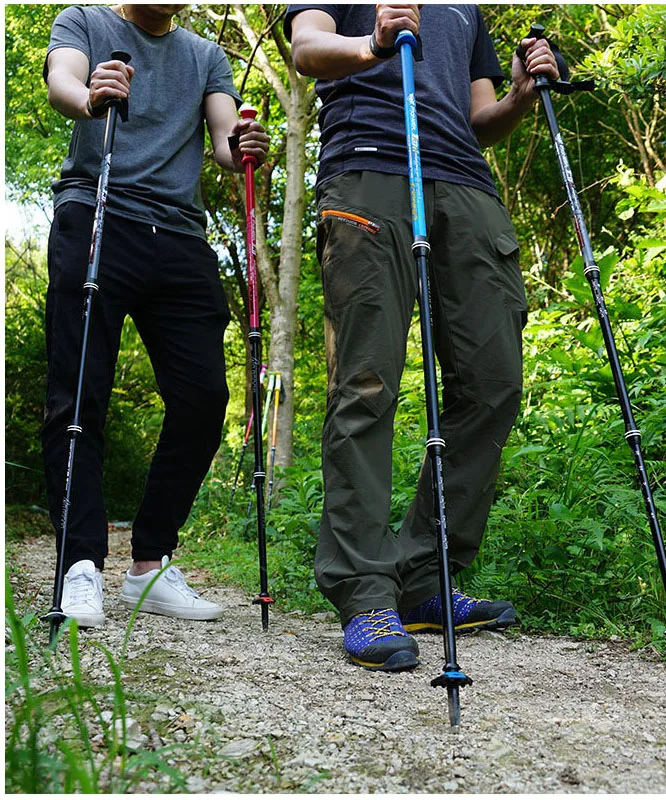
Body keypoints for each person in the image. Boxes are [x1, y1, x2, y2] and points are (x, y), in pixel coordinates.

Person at [285, 4, 559, 671]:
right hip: (368, 167)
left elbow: (480, 118)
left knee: (494, 381)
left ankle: (426, 577)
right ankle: (363, 590)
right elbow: (307, 48)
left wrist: (522, 96)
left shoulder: (465, 8)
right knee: (368, 381)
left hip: (465, 182)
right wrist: (373, 44)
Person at [42, 4, 268, 627]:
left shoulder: (204, 55)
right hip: (96, 211)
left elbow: (225, 141)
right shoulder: (84, 20)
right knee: (78, 394)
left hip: (177, 235)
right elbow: (65, 79)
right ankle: (79, 565)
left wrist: (243, 146)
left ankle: (149, 565)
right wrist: (90, 94)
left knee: (203, 398)